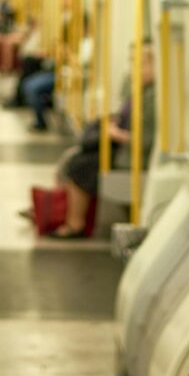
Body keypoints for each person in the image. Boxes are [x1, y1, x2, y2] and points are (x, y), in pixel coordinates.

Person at [50, 41, 157, 238]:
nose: (134, 69)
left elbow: (146, 140)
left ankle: (75, 224)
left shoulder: (154, 97)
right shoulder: (139, 91)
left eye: (140, 64)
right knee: (74, 157)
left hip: (131, 157)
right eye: (132, 63)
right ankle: (61, 213)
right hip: (121, 148)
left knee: (80, 165)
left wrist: (115, 133)